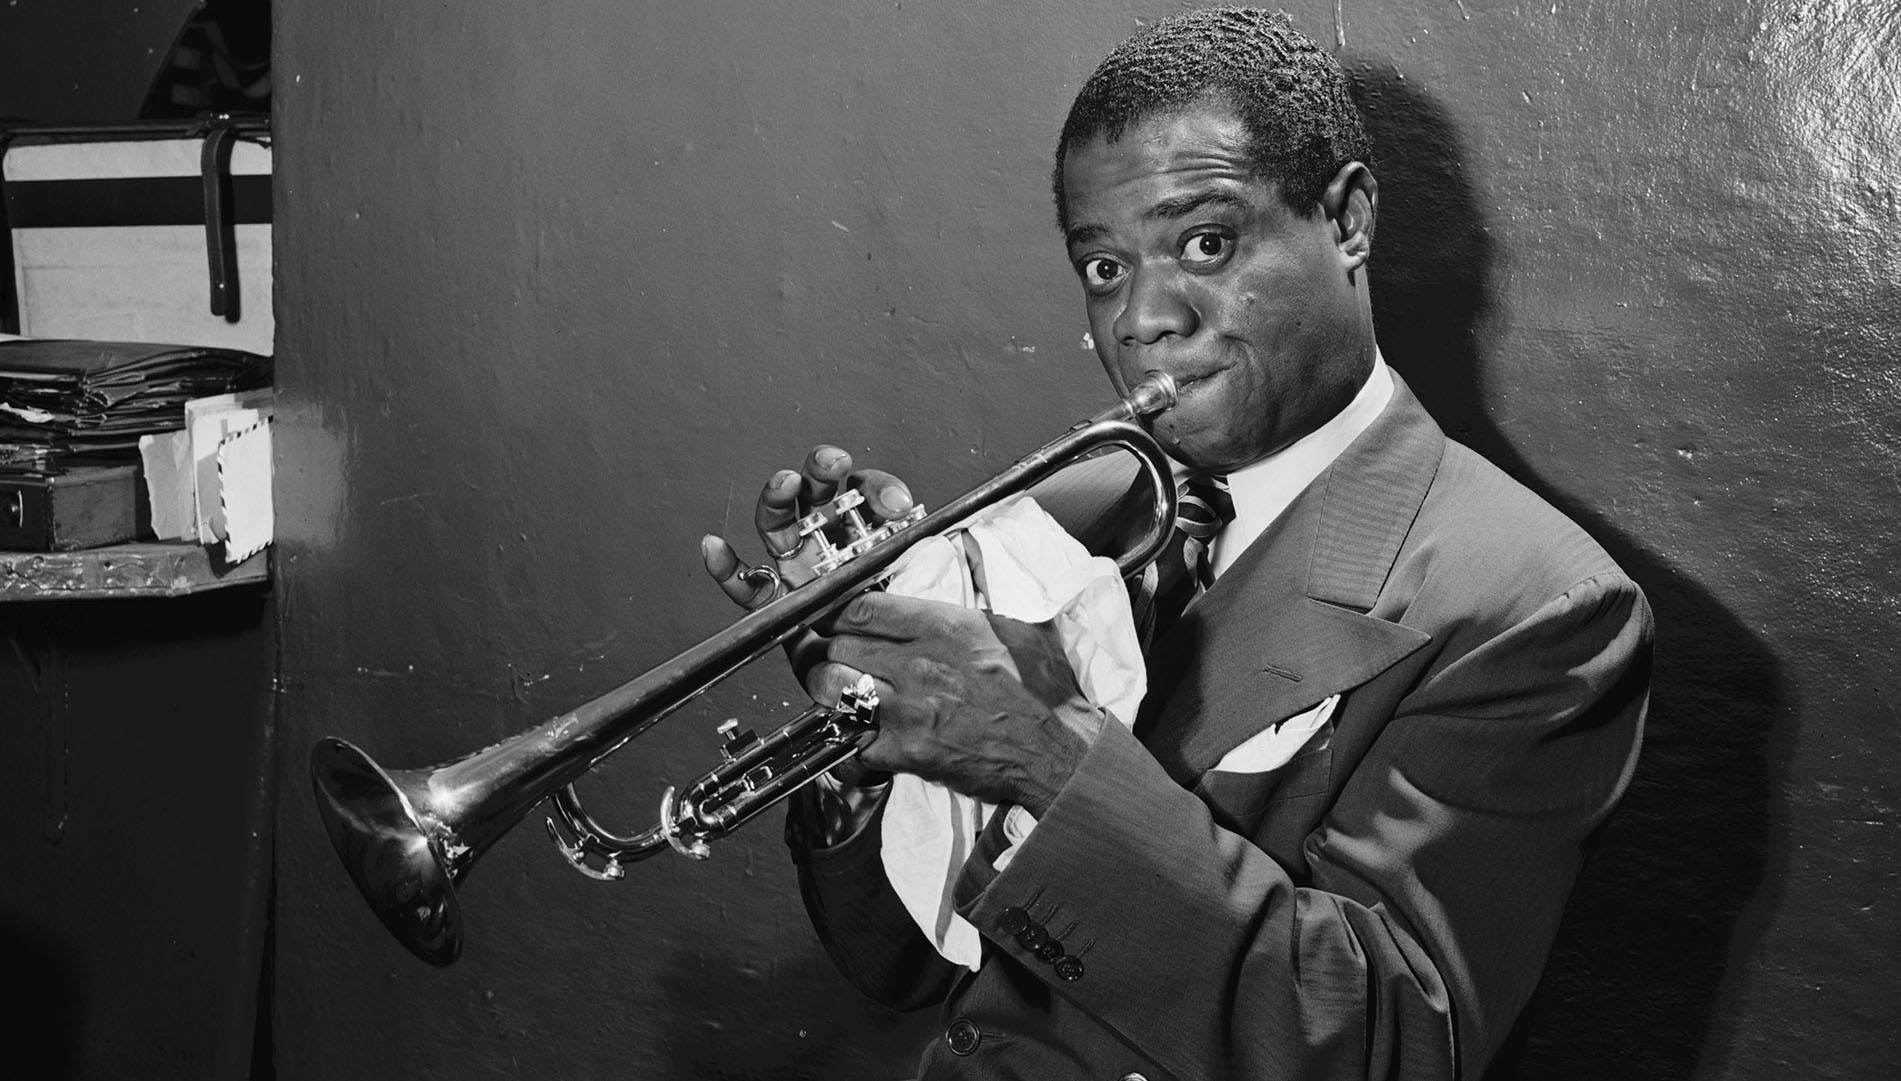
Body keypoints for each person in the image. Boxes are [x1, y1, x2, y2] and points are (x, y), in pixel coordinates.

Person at [701, 9, 1651, 1079]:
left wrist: (1032, 748)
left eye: (1205, 242)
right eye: (1102, 267)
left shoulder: (1537, 602)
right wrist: (878, 726)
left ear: (1345, 220)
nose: (1141, 318)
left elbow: (1388, 1047)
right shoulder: (1072, 510)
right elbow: (903, 971)